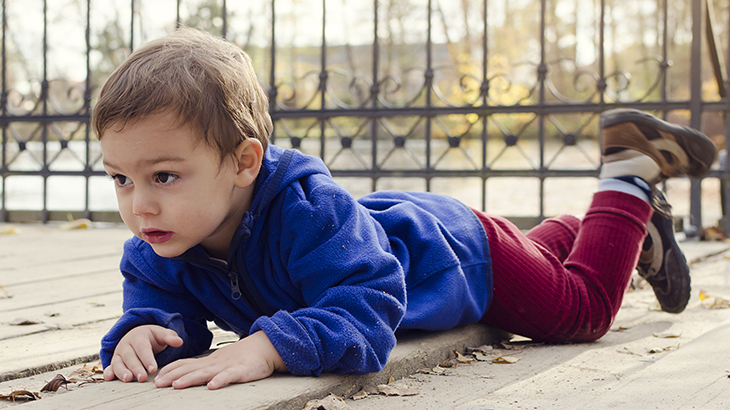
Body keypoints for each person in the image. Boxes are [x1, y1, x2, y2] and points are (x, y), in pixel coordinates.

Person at [94, 28, 717, 390]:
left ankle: (629, 176)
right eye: (121, 178)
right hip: (401, 231)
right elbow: (168, 322)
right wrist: (145, 338)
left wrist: (269, 347)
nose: (139, 204)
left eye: (165, 175)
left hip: (464, 256)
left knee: (581, 309)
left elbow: (368, 312)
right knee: (557, 262)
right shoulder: (157, 245)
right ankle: (591, 232)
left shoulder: (307, 211)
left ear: (244, 163)